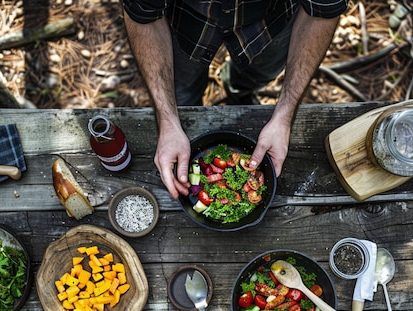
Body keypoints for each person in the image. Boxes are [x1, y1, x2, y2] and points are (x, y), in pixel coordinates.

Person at [121, 0, 348, 199]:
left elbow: (322, 10)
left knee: (256, 77)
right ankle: (187, 107)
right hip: (187, 22)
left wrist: (284, 117)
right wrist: (168, 121)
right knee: (183, 90)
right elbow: (143, 15)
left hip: (270, 20)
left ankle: (238, 91)